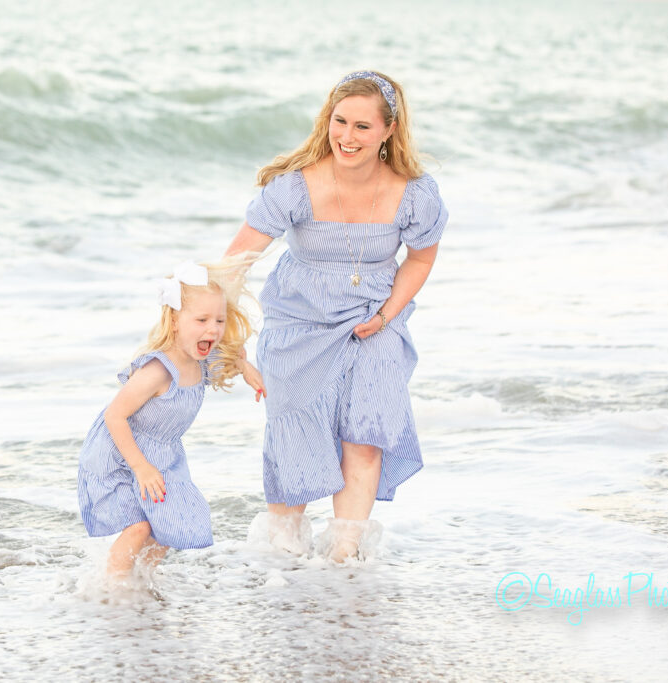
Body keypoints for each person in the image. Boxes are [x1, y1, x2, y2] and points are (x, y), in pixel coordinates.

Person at [224, 70, 448, 562]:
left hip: (374, 322)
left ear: (390, 130)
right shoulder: (293, 188)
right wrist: (224, 338)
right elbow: (236, 262)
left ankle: (343, 565)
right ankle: (283, 561)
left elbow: (421, 258)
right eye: (339, 122)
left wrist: (388, 315)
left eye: (362, 127)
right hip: (297, 322)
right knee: (296, 435)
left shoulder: (415, 193)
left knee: (365, 437)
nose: (347, 137)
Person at [77, 260, 266, 578]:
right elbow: (114, 416)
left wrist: (247, 370)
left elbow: (232, 357)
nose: (214, 329)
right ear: (175, 321)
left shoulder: (200, 358)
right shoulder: (158, 371)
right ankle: (110, 591)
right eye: (202, 319)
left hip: (163, 456)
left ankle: (142, 582)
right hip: (120, 456)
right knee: (138, 527)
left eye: (219, 320)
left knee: (167, 527)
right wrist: (141, 467)